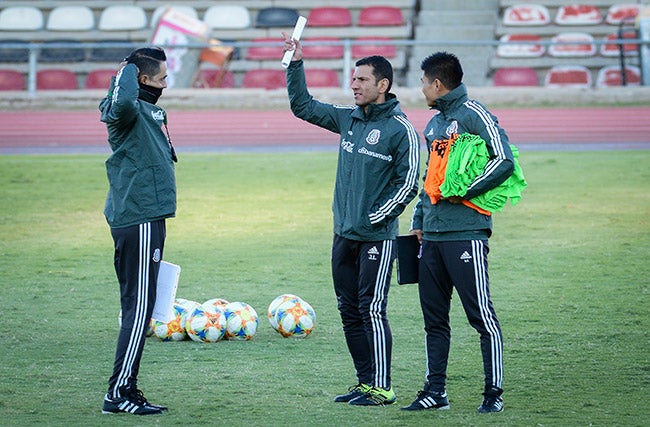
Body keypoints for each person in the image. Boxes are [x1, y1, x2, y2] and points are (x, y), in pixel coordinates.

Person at [282, 34, 420, 406]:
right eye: (353, 79)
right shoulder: (349, 119)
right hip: (343, 234)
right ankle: (365, 382)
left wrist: (376, 217)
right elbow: (303, 106)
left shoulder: (401, 129)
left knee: (371, 309)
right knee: (348, 310)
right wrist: (296, 64)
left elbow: (408, 183)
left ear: (383, 85)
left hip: (377, 237)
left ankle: (383, 386)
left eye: (361, 80)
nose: (353, 85)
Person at [402, 52, 514, 414]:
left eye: (423, 83)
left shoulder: (474, 114)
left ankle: (493, 394)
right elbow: (429, 179)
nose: (421, 90)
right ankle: (436, 393)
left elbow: (504, 159)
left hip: (465, 234)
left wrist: (464, 189)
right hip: (431, 237)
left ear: (437, 84)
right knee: (434, 321)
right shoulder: (433, 126)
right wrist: (419, 218)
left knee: (481, 316)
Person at [99, 46, 177, 416]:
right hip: (139, 216)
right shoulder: (126, 109)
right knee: (138, 307)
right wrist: (128, 67)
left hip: (148, 214)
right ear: (142, 79)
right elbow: (122, 104)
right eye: (160, 77)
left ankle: (123, 388)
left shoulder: (148, 109)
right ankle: (119, 392)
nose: (166, 82)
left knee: (140, 305)